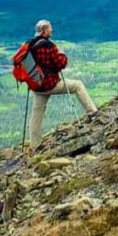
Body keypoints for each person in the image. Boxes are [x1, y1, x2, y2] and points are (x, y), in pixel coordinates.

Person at [28, 19, 97, 149]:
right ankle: (92, 113)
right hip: (50, 84)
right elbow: (60, 64)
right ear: (44, 30)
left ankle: (34, 145)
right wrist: (63, 55)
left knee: (37, 113)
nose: (51, 30)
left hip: (37, 86)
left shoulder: (30, 45)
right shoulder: (49, 46)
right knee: (78, 85)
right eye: (49, 28)